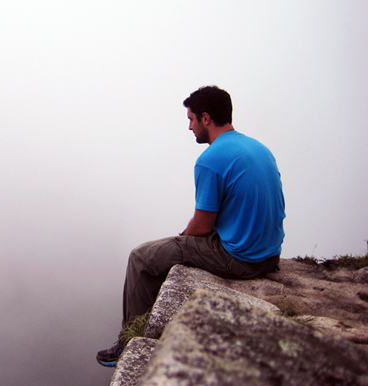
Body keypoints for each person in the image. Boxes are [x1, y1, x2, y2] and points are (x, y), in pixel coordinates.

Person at [96, 86, 285, 367]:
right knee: (161, 252)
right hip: (270, 256)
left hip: (242, 259)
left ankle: (128, 343)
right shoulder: (259, 148)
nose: (189, 126)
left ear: (206, 118)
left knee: (141, 257)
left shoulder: (210, 159)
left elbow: (202, 225)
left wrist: (183, 238)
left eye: (191, 119)